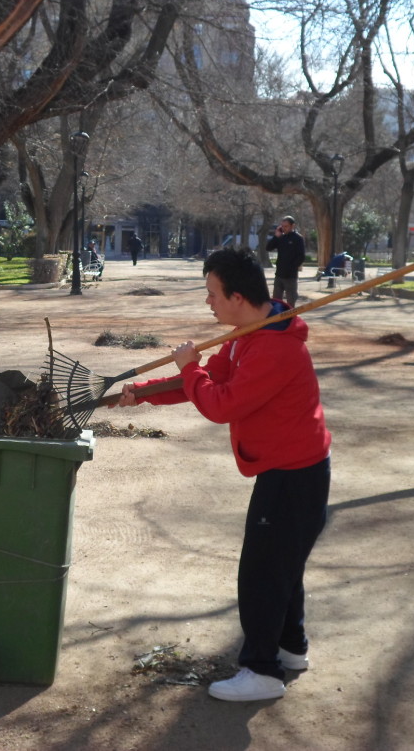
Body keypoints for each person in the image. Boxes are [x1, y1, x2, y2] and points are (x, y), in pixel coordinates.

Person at [110, 246, 331, 702]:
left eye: (212, 293)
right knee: (282, 566)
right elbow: (209, 382)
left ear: (237, 296)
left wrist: (188, 367)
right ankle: (291, 649)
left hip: (294, 475)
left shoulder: (273, 347)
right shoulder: (250, 331)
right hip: (288, 469)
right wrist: (142, 392)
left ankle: (262, 672)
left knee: (262, 573)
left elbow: (220, 403)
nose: (207, 302)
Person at [265, 216, 306, 306]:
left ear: (292, 226)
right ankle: (277, 319)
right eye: (282, 226)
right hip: (279, 274)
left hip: (290, 276)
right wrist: (276, 236)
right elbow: (268, 248)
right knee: (276, 301)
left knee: (291, 302)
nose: (284, 228)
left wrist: (292, 267)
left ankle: (290, 319)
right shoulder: (280, 238)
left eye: (286, 226)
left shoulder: (298, 238)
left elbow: (301, 256)